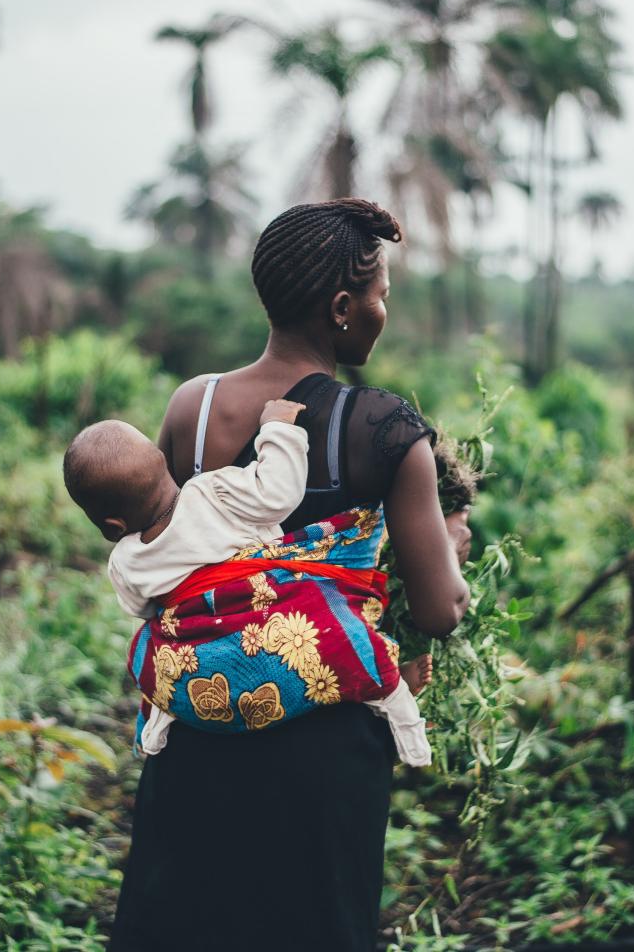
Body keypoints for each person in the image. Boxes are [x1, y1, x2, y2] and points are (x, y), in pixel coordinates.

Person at [109, 198, 470, 952]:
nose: (383, 311)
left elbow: (177, 552)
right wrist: (452, 547)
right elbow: (438, 613)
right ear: (343, 308)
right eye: (380, 297)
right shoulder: (384, 429)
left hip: (199, 727)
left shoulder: (192, 409)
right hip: (322, 752)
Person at [62, 398, 435, 766]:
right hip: (271, 625)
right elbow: (278, 493)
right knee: (340, 633)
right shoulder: (211, 492)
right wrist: (277, 428)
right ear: (163, 464)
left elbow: (145, 610)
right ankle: (397, 705)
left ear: (112, 526)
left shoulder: (125, 561)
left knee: (149, 650)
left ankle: (160, 719)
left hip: (203, 666)